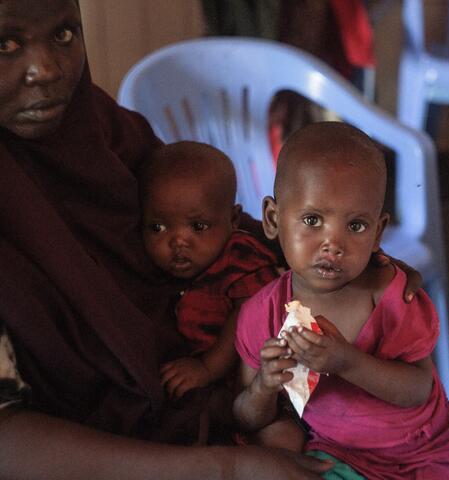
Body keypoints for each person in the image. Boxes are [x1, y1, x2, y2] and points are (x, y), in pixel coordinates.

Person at [0, 0, 335, 477]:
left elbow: (216, 228)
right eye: (6, 44)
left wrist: (348, 267)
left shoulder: (101, 131)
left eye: (64, 35)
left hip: (203, 404)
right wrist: (224, 469)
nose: (47, 69)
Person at [233, 122, 449, 479]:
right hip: (336, 453)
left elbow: (418, 389)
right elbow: (246, 417)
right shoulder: (263, 315)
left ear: (377, 232)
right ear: (272, 219)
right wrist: (264, 385)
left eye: (356, 226)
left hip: (424, 453)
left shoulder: (391, 295)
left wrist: (346, 361)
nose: (334, 244)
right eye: (312, 220)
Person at [139, 141, 279, 406]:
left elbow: (250, 314)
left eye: (198, 226)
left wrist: (206, 368)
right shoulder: (159, 271)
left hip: (263, 381)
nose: (178, 242)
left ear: (233, 219)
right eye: (157, 227)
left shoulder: (239, 256)